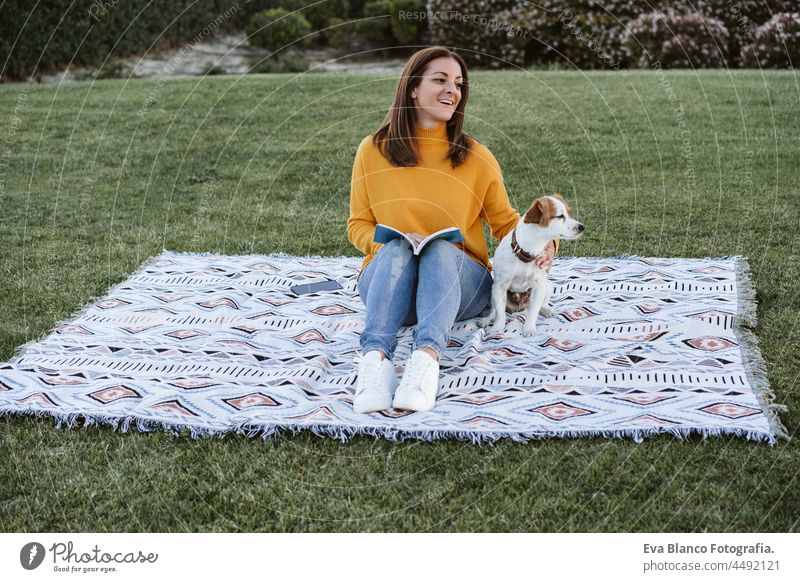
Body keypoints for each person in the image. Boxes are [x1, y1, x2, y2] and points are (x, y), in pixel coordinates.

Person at [347, 46, 556, 414]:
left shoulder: (475, 156)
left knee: (442, 248)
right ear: (412, 87)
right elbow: (358, 225)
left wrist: (545, 241)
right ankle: (374, 364)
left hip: (459, 287)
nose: (452, 90)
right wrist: (387, 240)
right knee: (396, 250)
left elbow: (507, 223)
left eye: (458, 83)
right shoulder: (372, 150)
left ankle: (425, 362)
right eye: (440, 80)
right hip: (390, 282)